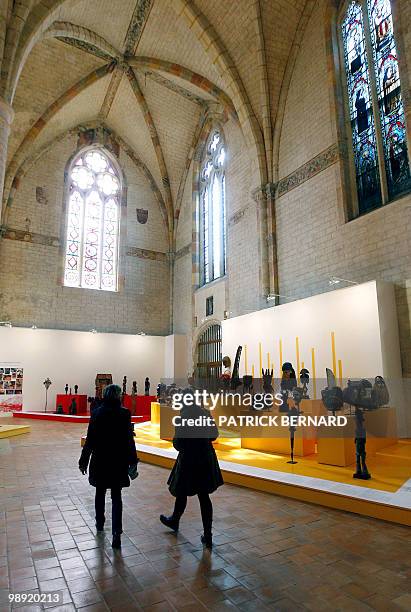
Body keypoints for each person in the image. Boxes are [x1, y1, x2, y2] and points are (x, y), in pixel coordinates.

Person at [160, 391, 223, 548]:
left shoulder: (183, 417)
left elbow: (178, 443)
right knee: (203, 496)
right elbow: (214, 434)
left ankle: (175, 519)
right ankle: (207, 534)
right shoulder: (205, 413)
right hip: (205, 458)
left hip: (189, 460)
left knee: (182, 491)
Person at [79, 384, 138, 549]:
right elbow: (128, 440)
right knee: (116, 497)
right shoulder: (124, 414)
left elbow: (90, 439)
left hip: (101, 460)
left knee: (100, 492)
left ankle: (99, 522)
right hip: (117, 461)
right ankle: (116, 533)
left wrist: (84, 460)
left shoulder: (97, 413)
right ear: (118, 396)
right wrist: (133, 460)